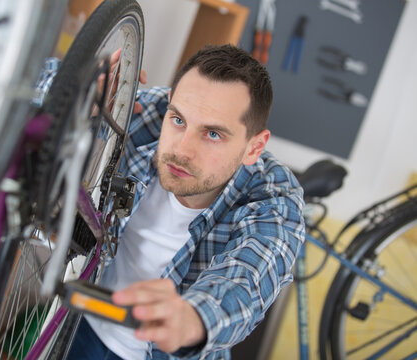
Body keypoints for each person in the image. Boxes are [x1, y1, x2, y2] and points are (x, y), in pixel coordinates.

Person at [58, 44, 305, 359]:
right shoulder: (150, 111)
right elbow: (29, 84)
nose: (181, 150)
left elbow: (248, 279)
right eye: (178, 120)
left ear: (254, 148)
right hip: (79, 325)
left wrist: (192, 317)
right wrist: (75, 91)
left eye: (213, 134)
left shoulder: (275, 199)